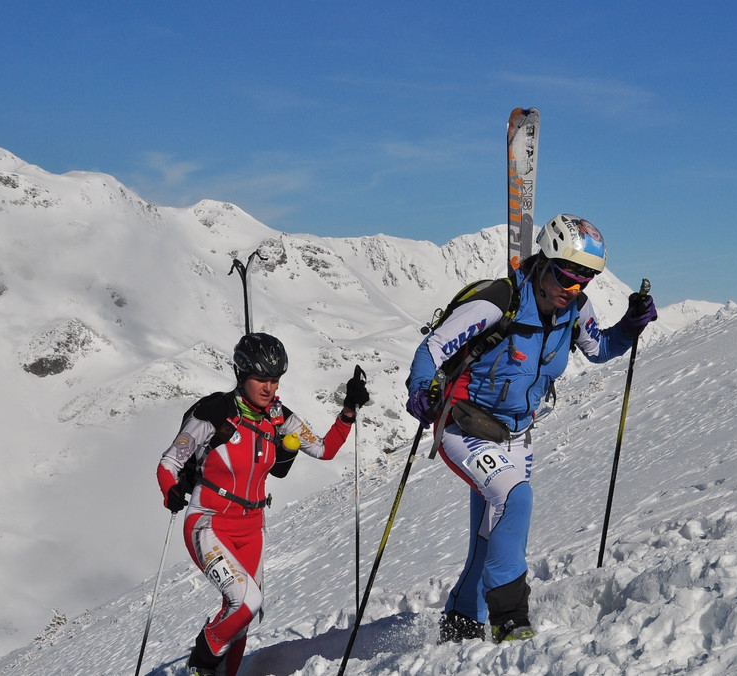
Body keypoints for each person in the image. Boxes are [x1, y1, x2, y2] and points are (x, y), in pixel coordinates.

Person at [405, 214, 657, 643]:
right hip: (464, 425)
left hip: (515, 434)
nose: (573, 288)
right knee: (514, 498)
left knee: (494, 529)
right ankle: (510, 620)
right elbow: (432, 349)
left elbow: (600, 349)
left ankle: (462, 621)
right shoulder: (496, 301)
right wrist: (420, 390)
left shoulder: (575, 309)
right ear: (543, 263)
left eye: (585, 281)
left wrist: (631, 326)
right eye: (565, 276)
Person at [157, 332, 370, 676]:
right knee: (246, 602)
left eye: (274, 380)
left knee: (242, 619)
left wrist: (347, 412)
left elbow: (323, 449)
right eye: (261, 379)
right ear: (242, 375)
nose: (269, 388)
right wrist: (170, 490)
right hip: (208, 522)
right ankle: (201, 663)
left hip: (252, 527)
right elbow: (170, 462)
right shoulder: (214, 412)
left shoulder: (277, 415)